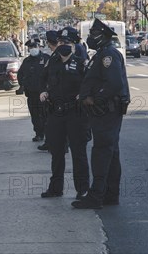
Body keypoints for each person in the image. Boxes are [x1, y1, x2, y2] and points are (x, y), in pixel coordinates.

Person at [72, 19, 130, 210]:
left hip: (106, 111)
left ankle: (96, 196)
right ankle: (110, 194)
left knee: (101, 153)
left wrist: (94, 99)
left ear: (102, 36)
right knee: (111, 153)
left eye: (93, 34)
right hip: (105, 112)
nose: (89, 38)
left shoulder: (108, 55)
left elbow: (114, 84)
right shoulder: (101, 54)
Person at [39, 27, 89, 200]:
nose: (63, 45)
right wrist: (43, 91)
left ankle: (82, 189)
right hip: (55, 113)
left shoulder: (81, 64)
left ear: (74, 45)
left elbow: (90, 85)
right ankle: (56, 187)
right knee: (56, 153)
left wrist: (83, 94)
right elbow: (43, 80)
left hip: (75, 113)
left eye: (67, 42)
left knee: (78, 153)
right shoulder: (52, 62)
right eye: (60, 42)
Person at [17, 39, 50, 142]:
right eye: (30, 47)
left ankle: (48, 135)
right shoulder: (26, 61)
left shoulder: (46, 59)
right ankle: (39, 133)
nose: (32, 49)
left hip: (44, 94)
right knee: (35, 115)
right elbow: (20, 75)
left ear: (38, 46)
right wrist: (23, 85)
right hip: (31, 94)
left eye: (34, 47)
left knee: (45, 115)